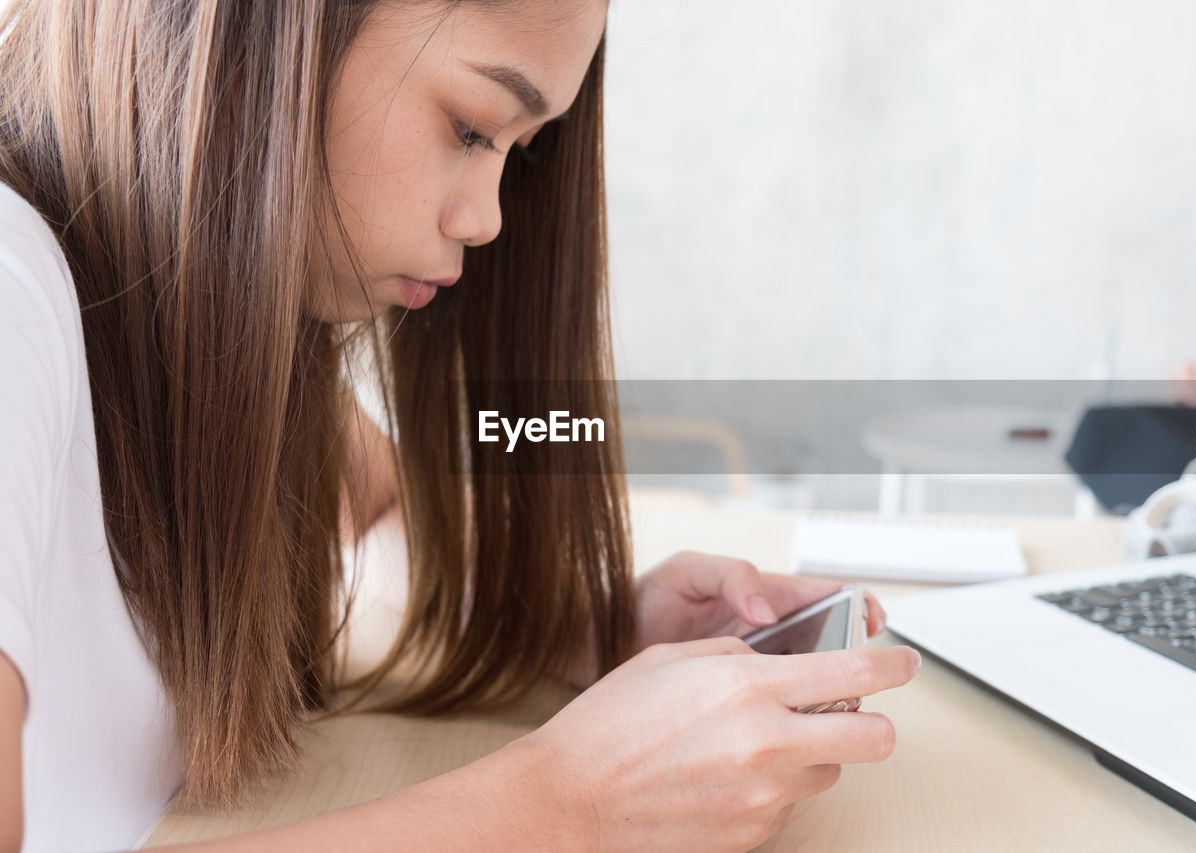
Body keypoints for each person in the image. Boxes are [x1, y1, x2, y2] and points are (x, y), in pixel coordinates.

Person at [0, 1, 921, 851]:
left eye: (517, 152)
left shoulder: (198, 324)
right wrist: (571, 802)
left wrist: (581, 624)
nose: (486, 219)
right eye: (473, 128)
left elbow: (369, 506)